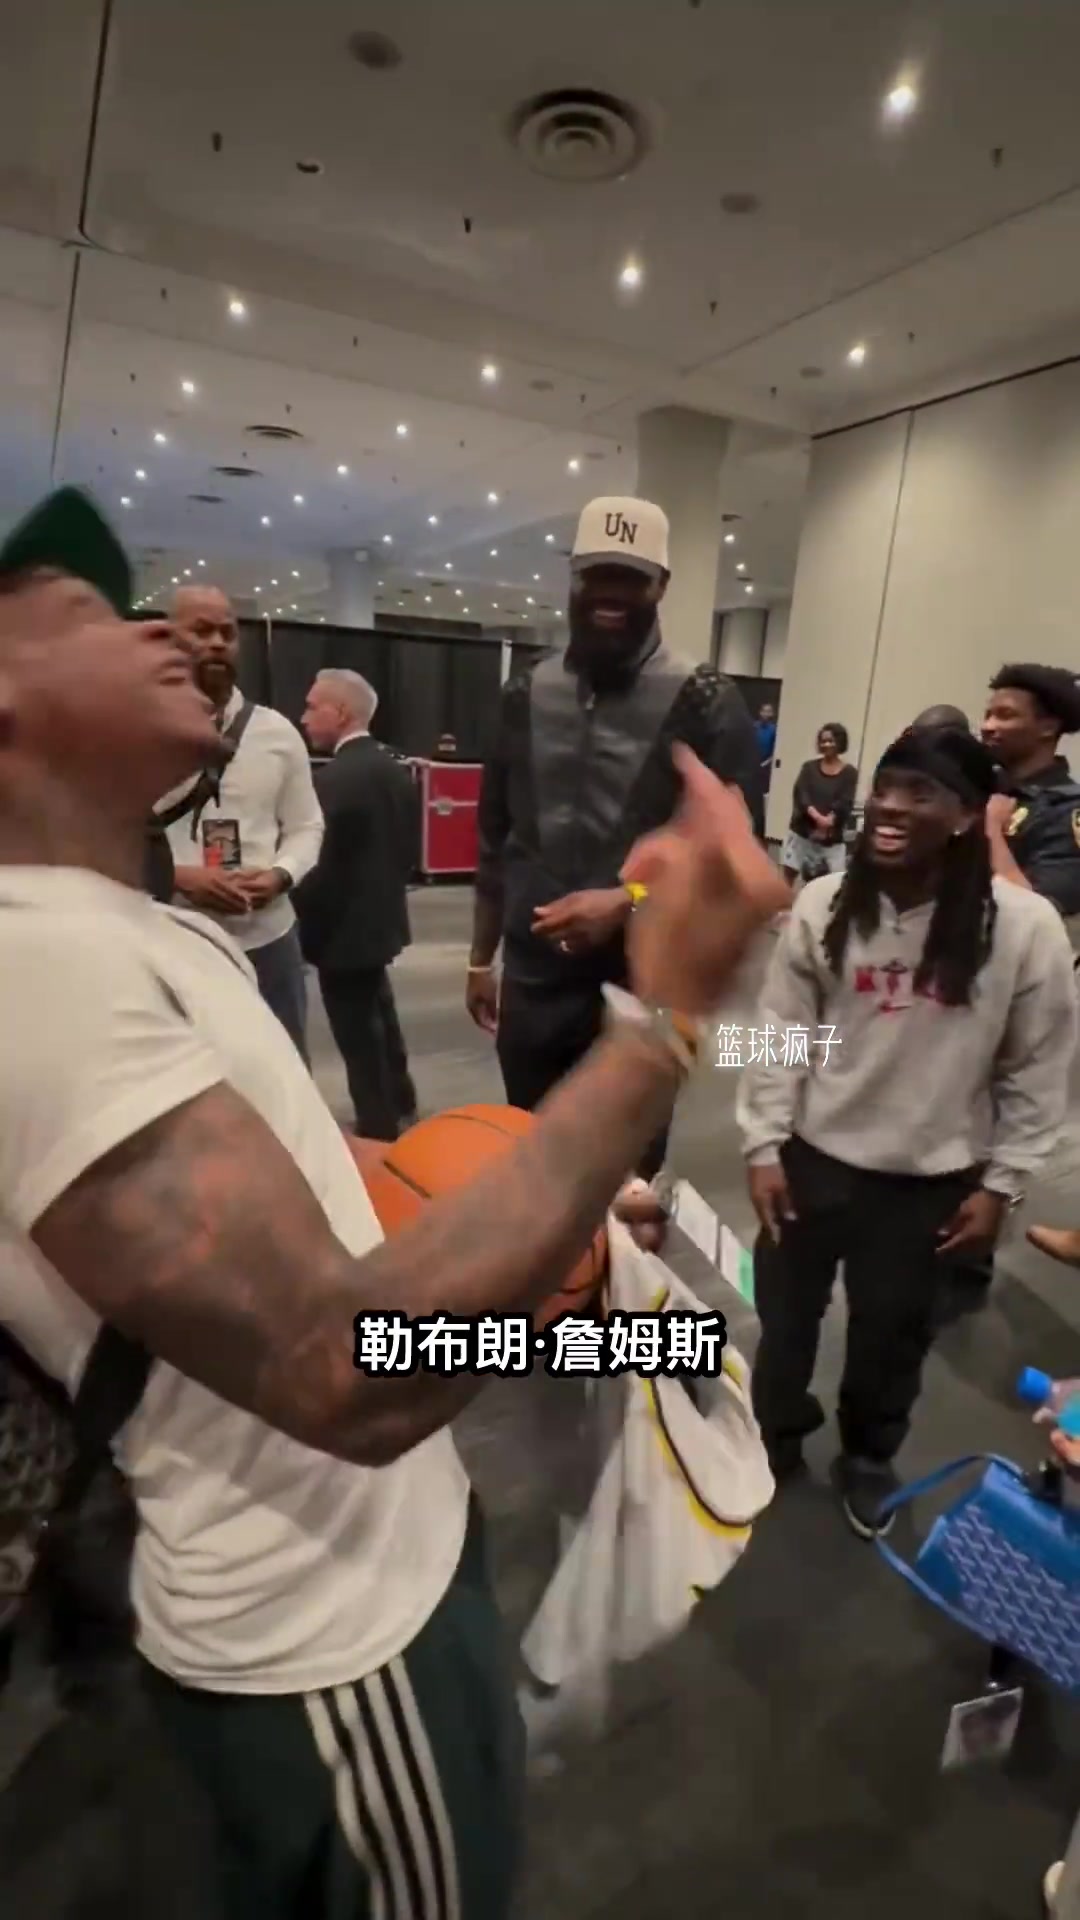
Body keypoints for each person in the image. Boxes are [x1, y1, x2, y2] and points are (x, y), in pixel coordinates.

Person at [0, 487, 786, 1918]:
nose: (167, 633)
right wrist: (663, 1026)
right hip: (331, 1632)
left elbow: (319, 1180)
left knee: (670, 1334)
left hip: (380, 1536)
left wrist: (546, 1199)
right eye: (87, 614)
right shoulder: (40, 974)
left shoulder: (123, 932)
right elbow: (354, 1371)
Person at [737, 726, 1076, 1536]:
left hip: (930, 1182)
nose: (890, 806)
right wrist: (762, 1143)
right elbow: (781, 1031)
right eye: (885, 788)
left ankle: (867, 1456)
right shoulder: (826, 903)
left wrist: (1003, 1185)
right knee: (785, 1321)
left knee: (892, 1338)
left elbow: (1036, 1068)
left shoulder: (1023, 927)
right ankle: (774, 1435)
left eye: (919, 793)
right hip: (813, 1159)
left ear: (966, 815)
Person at [468, 493, 763, 1179]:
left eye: (630, 578)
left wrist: (626, 900)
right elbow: (494, 833)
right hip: (534, 979)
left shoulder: (705, 700)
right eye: (596, 575)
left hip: (642, 989)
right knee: (529, 1159)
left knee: (624, 1181)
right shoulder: (526, 691)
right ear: (574, 578)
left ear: (661, 585)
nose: (610, 594)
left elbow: (731, 861)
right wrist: (481, 959)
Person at [161, 583, 323, 1059]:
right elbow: (105, 834)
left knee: (283, 1071)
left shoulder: (277, 733)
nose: (217, 643)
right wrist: (178, 876)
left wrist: (280, 875)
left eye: (227, 633)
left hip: (268, 940)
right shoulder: (137, 730)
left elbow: (306, 826)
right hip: (172, 938)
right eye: (201, 631)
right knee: (183, 1078)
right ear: (169, 638)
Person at [296, 669, 419, 1140]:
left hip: (341, 931)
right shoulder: (393, 769)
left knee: (358, 1037)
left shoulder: (333, 781)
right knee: (381, 1018)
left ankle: (377, 1126)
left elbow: (317, 866)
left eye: (313, 707)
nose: (304, 717)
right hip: (381, 922)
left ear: (341, 712)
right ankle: (401, 1101)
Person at [981, 663, 1080, 920]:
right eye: (988, 715)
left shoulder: (1067, 810)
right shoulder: (978, 788)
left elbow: (1038, 911)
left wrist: (992, 831)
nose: (988, 726)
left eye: (1005, 715)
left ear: (1048, 728)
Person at [780, 722, 857, 887]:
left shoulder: (849, 772)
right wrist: (817, 818)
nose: (826, 744)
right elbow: (801, 795)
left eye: (830, 741)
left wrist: (829, 821)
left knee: (833, 883)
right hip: (803, 832)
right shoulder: (808, 768)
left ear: (840, 742)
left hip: (830, 837)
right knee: (787, 875)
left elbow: (845, 801)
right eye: (823, 741)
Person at [756, 701, 777, 788]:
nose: (766, 714)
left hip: (766, 765)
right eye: (764, 711)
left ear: (772, 714)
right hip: (752, 763)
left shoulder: (774, 730)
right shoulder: (754, 727)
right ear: (760, 712)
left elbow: (775, 750)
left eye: (768, 711)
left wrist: (765, 763)